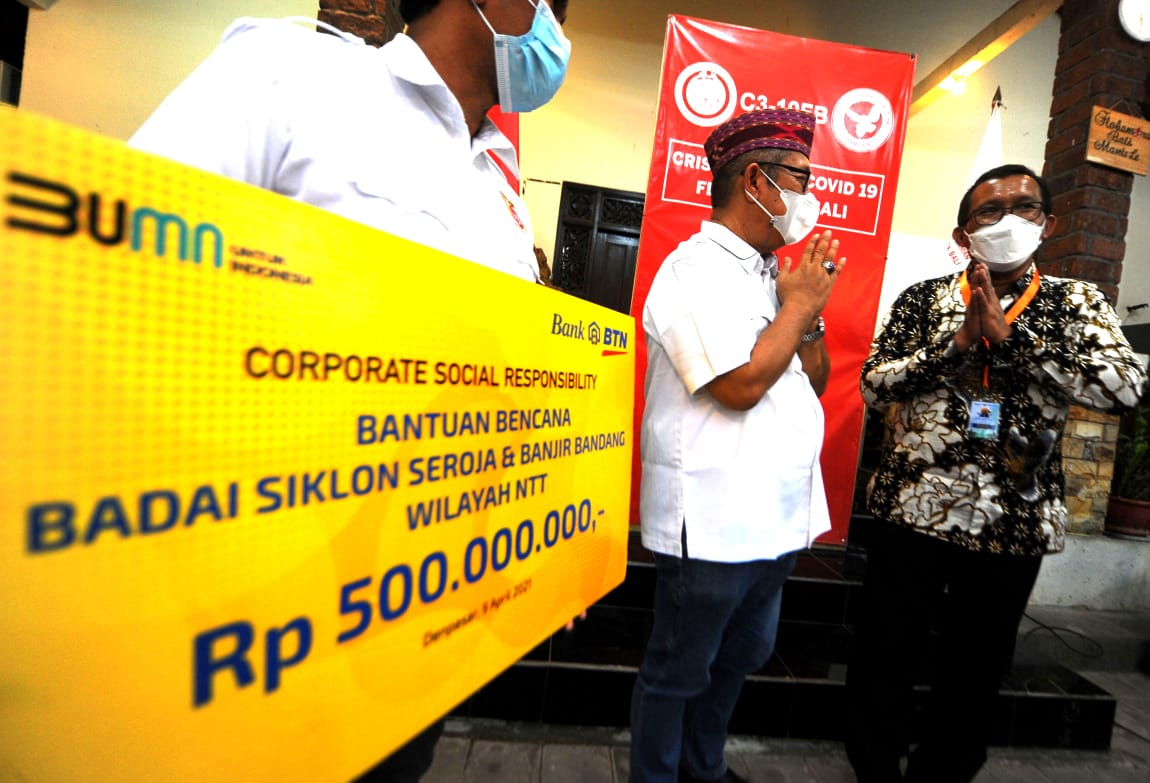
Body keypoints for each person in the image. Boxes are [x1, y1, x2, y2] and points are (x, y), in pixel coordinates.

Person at [130, 2, 571, 781]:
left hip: (413, 616)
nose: (562, 38)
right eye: (558, 9)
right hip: (259, 610)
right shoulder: (289, 75)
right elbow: (126, 279)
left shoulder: (498, 182)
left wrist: (541, 537)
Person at [845, 163, 1148, 783]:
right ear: (964, 234)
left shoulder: (1076, 303)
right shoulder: (922, 299)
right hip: (913, 509)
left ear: (1048, 223)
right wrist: (955, 346)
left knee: (976, 665)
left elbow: (1124, 389)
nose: (1009, 219)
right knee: (886, 649)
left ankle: (943, 773)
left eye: (1025, 207)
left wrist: (1016, 341)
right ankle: (874, 767)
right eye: (990, 210)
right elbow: (875, 385)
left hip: (1012, 519)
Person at [631, 108, 843, 783]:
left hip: (775, 521)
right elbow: (741, 385)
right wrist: (799, 308)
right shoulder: (692, 270)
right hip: (713, 523)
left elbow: (815, 379)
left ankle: (704, 767)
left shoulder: (770, 274)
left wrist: (806, 315)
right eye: (801, 177)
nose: (811, 193)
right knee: (678, 671)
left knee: (740, 657)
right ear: (756, 180)